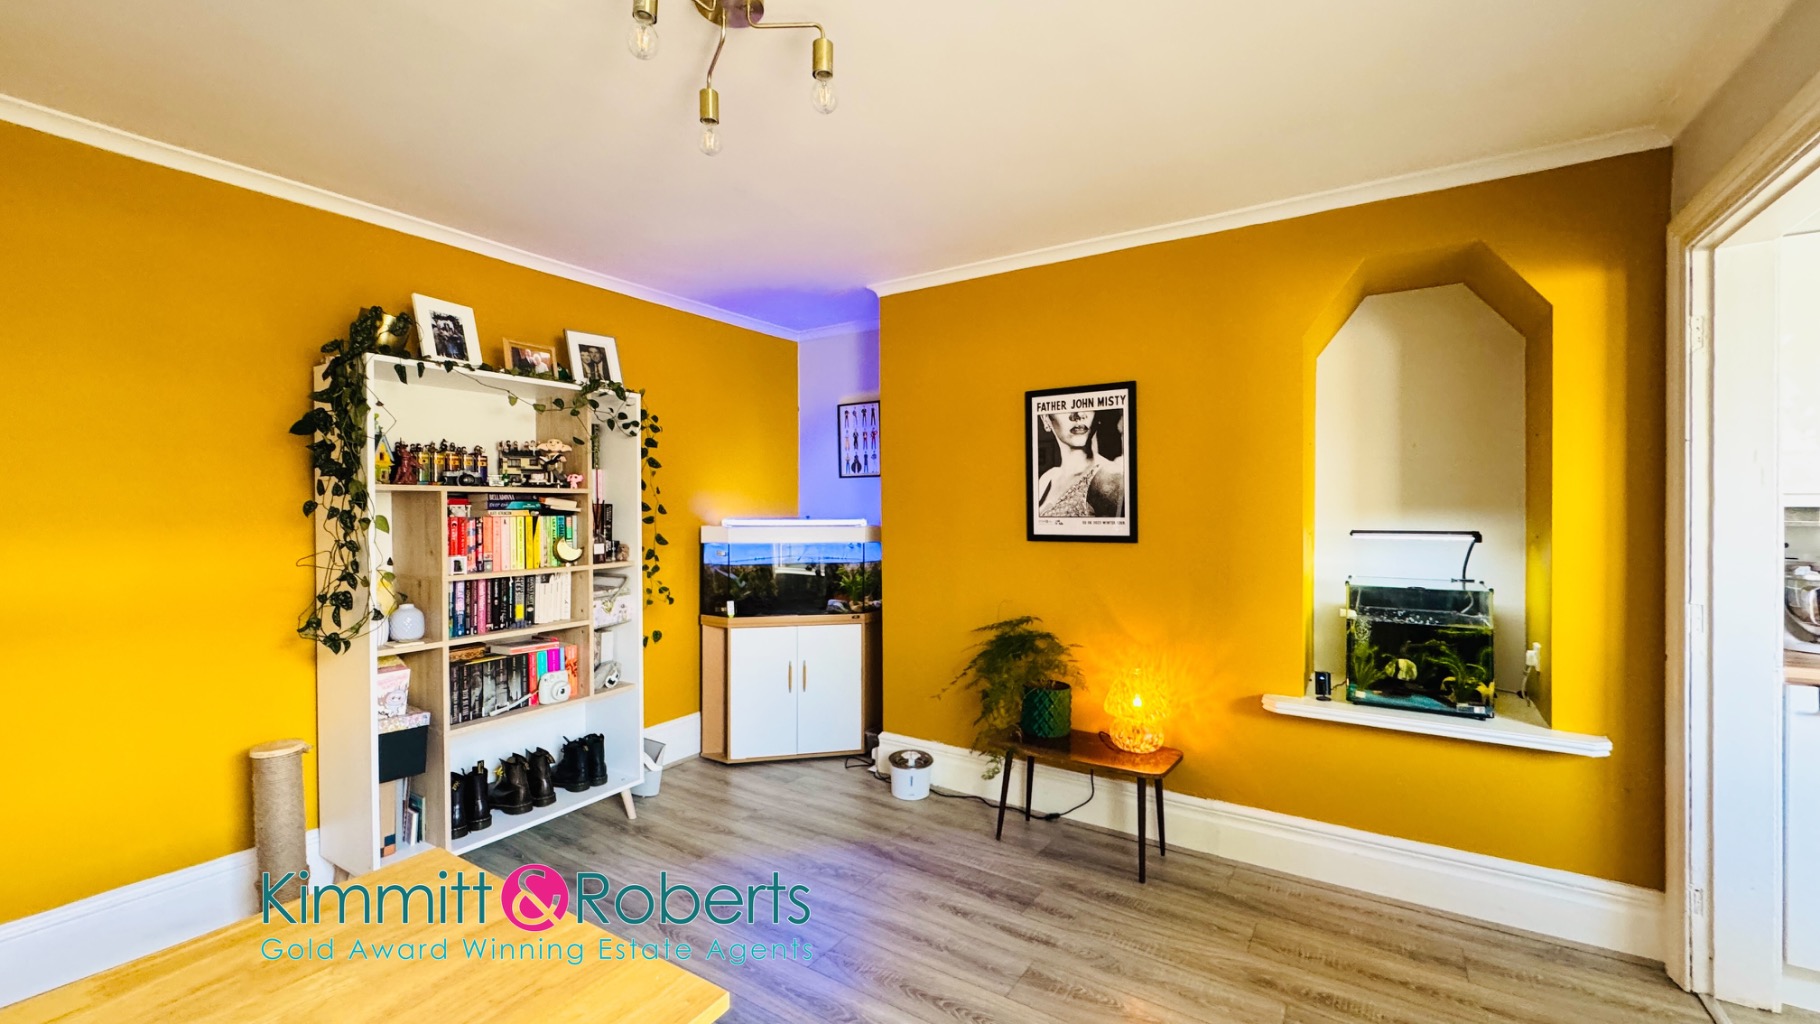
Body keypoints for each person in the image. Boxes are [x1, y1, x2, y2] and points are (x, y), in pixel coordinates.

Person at [1036, 409, 1125, 517]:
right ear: (1045, 420)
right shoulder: (1047, 478)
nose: (1078, 415)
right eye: (1065, 407)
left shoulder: (1110, 478)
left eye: (1087, 405)